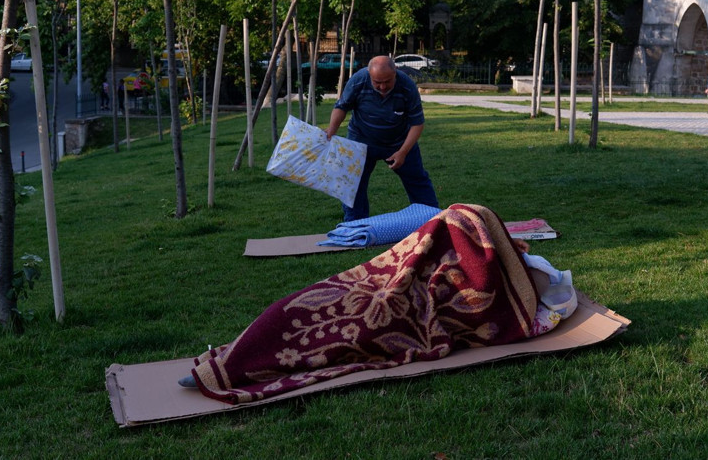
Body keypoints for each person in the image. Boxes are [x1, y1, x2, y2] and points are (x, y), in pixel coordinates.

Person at [178, 204, 575, 404]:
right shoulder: (489, 244)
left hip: (401, 305)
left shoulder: (530, 282)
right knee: (310, 307)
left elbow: (480, 305)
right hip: (381, 281)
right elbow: (435, 236)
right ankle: (234, 358)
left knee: (352, 331)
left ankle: (234, 364)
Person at [325, 55, 438, 222]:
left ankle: (432, 222)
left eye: (387, 81)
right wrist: (331, 130)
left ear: (395, 72)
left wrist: (403, 152)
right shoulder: (358, 80)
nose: (383, 87)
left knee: (418, 181)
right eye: (377, 82)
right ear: (369, 74)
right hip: (361, 139)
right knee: (353, 184)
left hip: (399, 142)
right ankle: (355, 226)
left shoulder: (407, 86)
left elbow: (417, 124)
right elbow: (341, 107)